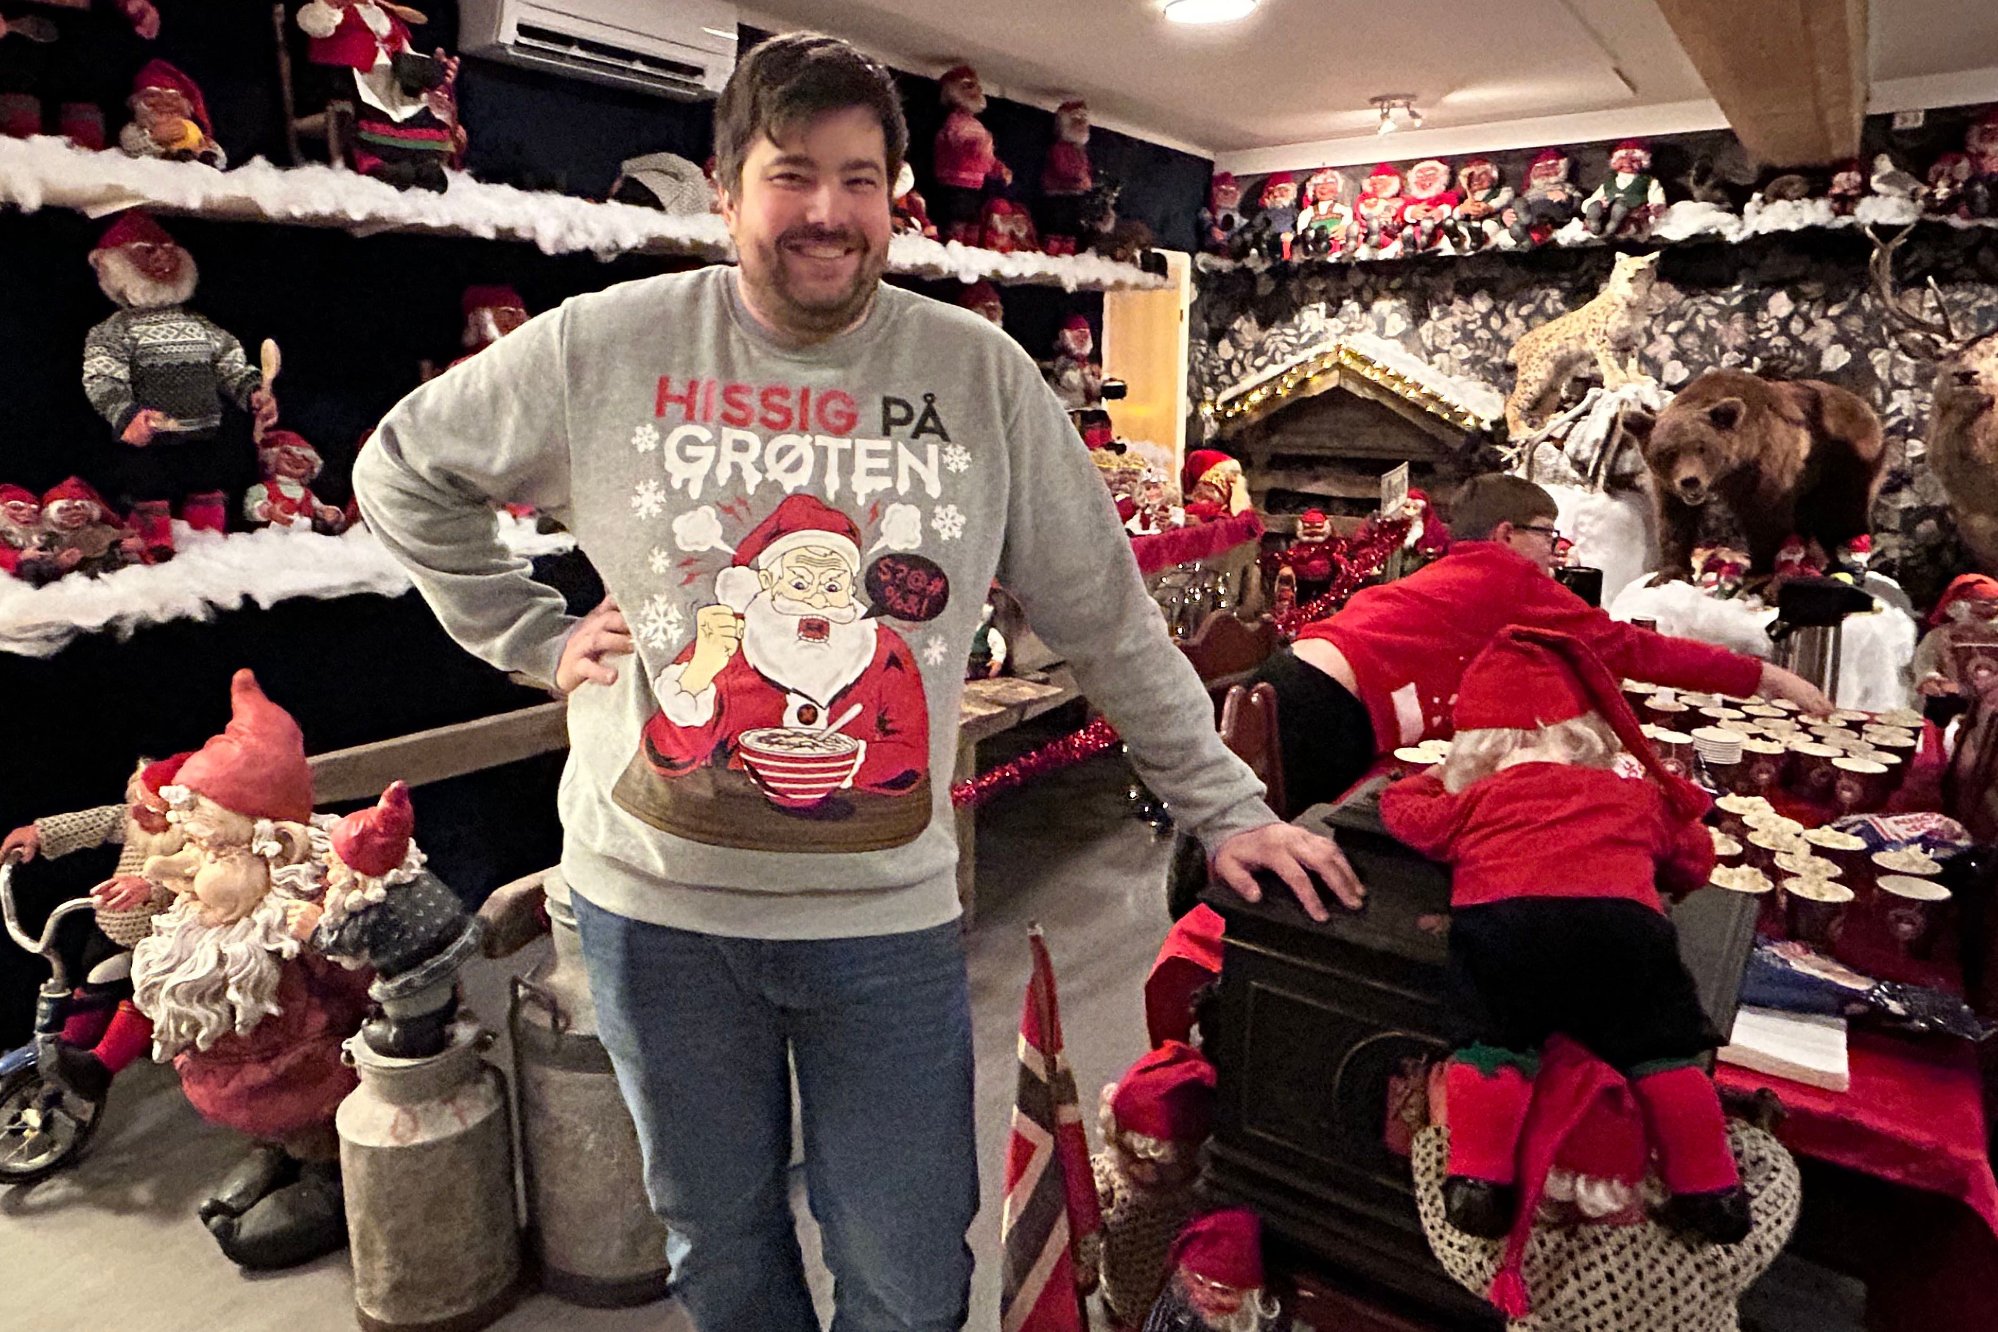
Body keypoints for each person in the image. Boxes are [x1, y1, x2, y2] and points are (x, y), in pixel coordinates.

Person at [353, 32, 1359, 1332]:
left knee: (908, 1264)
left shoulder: (979, 376)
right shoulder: (605, 346)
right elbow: (401, 469)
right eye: (790, 174)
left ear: (895, 197)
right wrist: (530, 635)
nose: (826, 210)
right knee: (717, 1241)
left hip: (880, 917)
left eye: (859, 178)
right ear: (728, 192)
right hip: (653, 913)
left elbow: (1107, 618)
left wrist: (1225, 807)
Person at [1263, 473, 1832, 814]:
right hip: (1327, 706)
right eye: (1546, 534)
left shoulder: (1455, 568)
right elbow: (1632, 649)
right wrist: (1767, 676)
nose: (1555, 551)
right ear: (1506, 535)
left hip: (1292, 676)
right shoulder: (1510, 577)